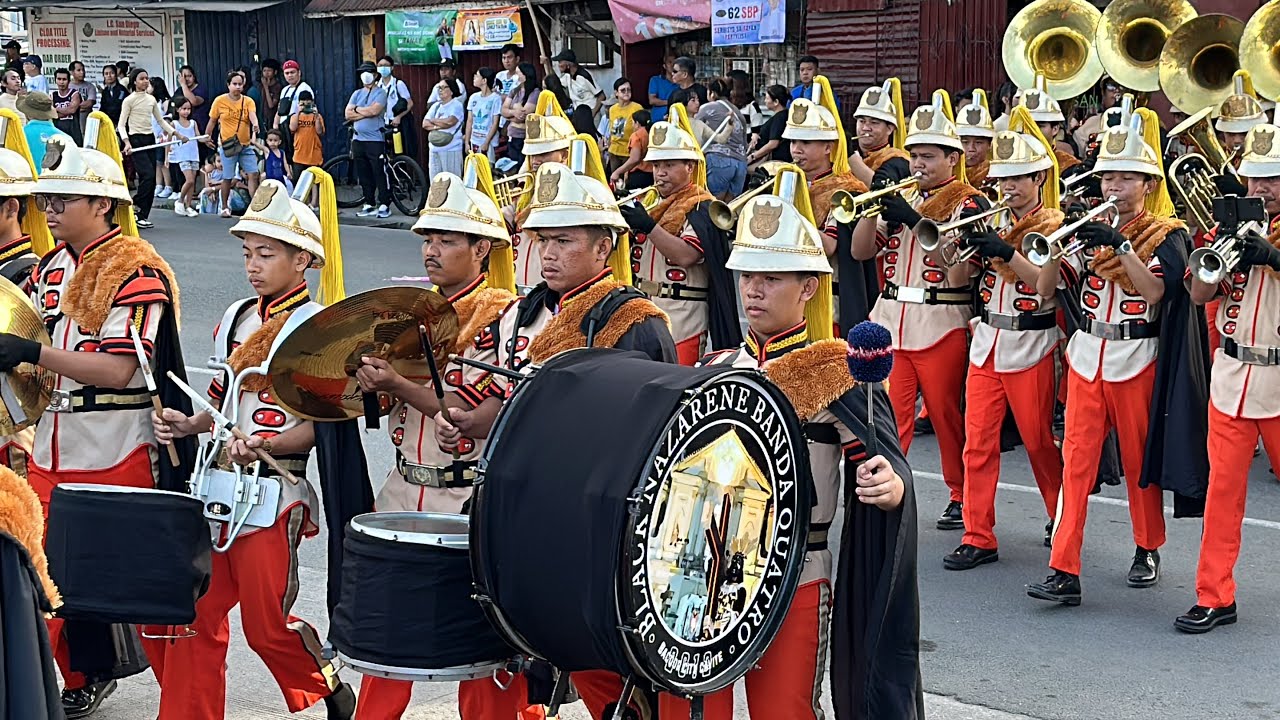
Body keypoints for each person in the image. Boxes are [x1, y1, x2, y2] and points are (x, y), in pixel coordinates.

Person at [660, 167, 920, 720]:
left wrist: (889, 485)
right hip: (701, 572)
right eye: (747, 275)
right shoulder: (713, 367)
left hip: (795, 572)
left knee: (785, 713)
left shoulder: (840, 375)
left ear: (808, 286)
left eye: (773, 277)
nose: (754, 289)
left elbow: (882, 468)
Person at [151, 173, 356, 720]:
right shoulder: (236, 317)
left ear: (304, 261)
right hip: (219, 484)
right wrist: (188, 424)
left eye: (266, 254)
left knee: (267, 628)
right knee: (196, 613)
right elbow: (220, 395)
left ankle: (328, 683)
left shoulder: (319, 328)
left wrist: (266, 441)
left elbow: (327, 423)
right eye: (248, 253)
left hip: (275, 488)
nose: (252, 265)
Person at [6, 133, 195, 720]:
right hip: (51, 448)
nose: (52, 210)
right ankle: (56, 687)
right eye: (49, 200)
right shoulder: (51, 268)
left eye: (66, 199)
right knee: (39, 579)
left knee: (140, 595)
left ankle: (184, 706)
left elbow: (118, 370)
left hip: (117, 449)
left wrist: (29, 355)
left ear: (105, 205)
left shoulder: (138, 271)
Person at [352, 157, 536, 719]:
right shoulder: (407, 314)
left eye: (447, 238)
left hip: (466, 499)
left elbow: (466, 414)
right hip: (403, 490)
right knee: (386, 647)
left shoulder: (503, 319)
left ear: (483, 249)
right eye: (427, 237)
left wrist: (396, 384)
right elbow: (376, 404)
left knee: (482, 660)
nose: (431, 249)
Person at [1027, 109, 1209, 606]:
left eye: (1127, 176)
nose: (1114, 184)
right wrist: (1057, 253)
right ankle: (1064, 567)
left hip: (1138, 356)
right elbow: (1046, 291)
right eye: (1108, 174)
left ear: (1147, 184)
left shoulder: (1166, 234)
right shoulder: (1085, 226)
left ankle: (1147, 546)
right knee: (1075, 465)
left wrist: (1120, 247)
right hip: (1089, 355)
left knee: (1136, 460)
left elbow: (1156, 293)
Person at [851, 94, 986, 530]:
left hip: (940, 320)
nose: (918, 165)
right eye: (914, 156)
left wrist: (911, 217)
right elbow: (859, 252)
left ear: (953, 158)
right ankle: (887, 487)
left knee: (946, 414)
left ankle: (961, 493)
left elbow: (958, 269)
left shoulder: (969, 203)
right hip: (890, 318)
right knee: (889, 415)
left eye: (928, 156)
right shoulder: (902, 193)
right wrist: (872, 210)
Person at [942, 111, 1065, 571]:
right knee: (977, 442)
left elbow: (1045, 287)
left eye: (1016, 179)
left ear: (1038, 177)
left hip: (1032, 342)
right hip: (988, 339)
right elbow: (955, 277)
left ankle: (1061, 515)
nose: (1007, 187)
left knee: (1037, 442)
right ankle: (978, 534)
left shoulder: (1053, 223)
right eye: (1001, 179)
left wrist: (1005, 249)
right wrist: (962, 243)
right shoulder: (992, 220)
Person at [1178, 122, 1280, 634]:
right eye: (1255, 178)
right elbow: (1198, 298)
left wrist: (1274, 256)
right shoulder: (1232, 227)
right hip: (1233, 375)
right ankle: (1214, 594)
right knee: (1222, 494)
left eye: (1273, 179)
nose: (1261, 188)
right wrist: (1216, 254)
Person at [619, 106, 740, 365]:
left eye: (669, 165)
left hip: (682, 316)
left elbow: (687, 255)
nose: (660, 172)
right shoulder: (650, 201)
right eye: (656, 165)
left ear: (689, 166)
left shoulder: (700, 206)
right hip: (642, 310)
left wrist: (648, 226)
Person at [784, 75, 867, 330]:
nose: (796, 150)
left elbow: (829, 245)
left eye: (806, 143)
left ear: (829, 147)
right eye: (793, 142)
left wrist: (789, 212)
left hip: (829, 301)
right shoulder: (787, 180)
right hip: (788, 296)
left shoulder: (846, 189)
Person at [504, 95, 575, 291]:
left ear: (565, 156)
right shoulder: (526, 189)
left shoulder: (576, 194)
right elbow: (510, 218)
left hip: (553, 289)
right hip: (518, 285)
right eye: (532, 154)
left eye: (543, 154)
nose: (535, 161)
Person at [119, 68, 174, 229]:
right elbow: (122, 125)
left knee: (149, 180)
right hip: (135, 140)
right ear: (134, 81)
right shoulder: (129, 100)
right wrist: (126, 142)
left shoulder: (151, 100)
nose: (145, 81)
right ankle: (135, 204)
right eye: (142, 78)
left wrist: (176, 133)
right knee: (148, 175)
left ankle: (142, 214)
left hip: (149, 138)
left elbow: (161, 121)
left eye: (147, 78)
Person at [207, 70, 261, 219]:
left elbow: (252, 115)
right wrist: (207, 136)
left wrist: (255, 125)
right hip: (228, 146)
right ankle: (225, 207)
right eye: (234, 84)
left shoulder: (248, 101)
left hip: (245, 145)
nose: (237, 87)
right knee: (228, 177)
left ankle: (255, 207)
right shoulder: (219, 101)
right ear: (228, 85)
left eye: (240, 84)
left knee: (253, 173)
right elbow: (212, 120)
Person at [848, 78, 911, 188]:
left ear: (890, 129)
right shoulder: (854, 154)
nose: (866, 128)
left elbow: (881, 190)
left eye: (874, 123)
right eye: (862, 121)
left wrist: (851, 157)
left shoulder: (898, 160)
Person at [697, 79, 748, 199]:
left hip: (719, 159)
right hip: (740, 164)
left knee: (714, 206)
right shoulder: (738, 113)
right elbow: (744, 143)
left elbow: (693, 128)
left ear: (712, 93)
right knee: (729, 209)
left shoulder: (707, 108)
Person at [1016, 82, 1078, 171]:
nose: (1031, 131)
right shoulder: (1007, 162)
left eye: (1039, 126)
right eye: (1027, 126)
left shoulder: (1068, 164)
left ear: (1055, 129)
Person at [18, 92, 70, 174]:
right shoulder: (66, 138)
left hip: (24, 184)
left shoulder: (18, 135)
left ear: (27, 113)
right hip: (54, 184)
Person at [423, 79, 465, 179]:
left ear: (451, 90)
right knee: (435, 181)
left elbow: (450, 122)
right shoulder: (436, 106)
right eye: (439, 88)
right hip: (434, 148)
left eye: (443, 87)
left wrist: (433, 121)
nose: (440, 90)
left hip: (451, 148)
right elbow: (425, 124)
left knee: (452, 182)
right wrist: (438, 125)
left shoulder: (456, 105)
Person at [377, 56, 416, 161]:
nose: (383, 68)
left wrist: (398, 117)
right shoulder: (377, 86)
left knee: (400, 153)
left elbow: (410, 103)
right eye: (380, 66)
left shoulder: (398, 84)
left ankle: (401, 175)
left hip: (397, 123)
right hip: (383, 124)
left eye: (386, 65)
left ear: (392, 67)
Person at [956, 89, 995, 191]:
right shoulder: (948, 173)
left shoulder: (995, 176)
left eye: (978, 142)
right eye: (965, 142)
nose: (971, 149)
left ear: (989, 144)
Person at [1073, 76, 1126, 151]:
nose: (1117, 91)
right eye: (1112, 85)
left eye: (1122, 86)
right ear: (1103, 93)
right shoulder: (1090, 124)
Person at [169, 96, 201, 217]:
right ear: (177, 110)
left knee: (192, 183)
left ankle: (188, 205)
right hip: (182, 156)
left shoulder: (193, 123)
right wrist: (168, 157)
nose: (186, 111)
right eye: (184, 109)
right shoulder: (174, 124)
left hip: (194, 155)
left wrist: (206, 139)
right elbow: (169, 140)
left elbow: (198, 136)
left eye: (188, 109)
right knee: (190, 180)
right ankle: (180, 200)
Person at [501, 62, 539, 165]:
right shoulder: (514, 91)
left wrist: (509, 116)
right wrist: (513, 111)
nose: (515, 76)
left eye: (518, 73)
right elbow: (503, 110)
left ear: (525, 75)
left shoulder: (534, 92)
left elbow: (522, 117)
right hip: (511, 135)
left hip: (523, 137)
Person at [550, 49, 604, 119]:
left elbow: (601, 96)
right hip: (578, 113)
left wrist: (592, 115)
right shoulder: (567, 76)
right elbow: (555, 82)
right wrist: (547, 64)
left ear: (568, 65)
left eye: (560, 62)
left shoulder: (584, 76)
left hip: (590, 112)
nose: (559, 65)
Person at [275, 60, 313, 157]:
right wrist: (275, 126)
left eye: (292, 72)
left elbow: (308, 111)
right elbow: (279, 109)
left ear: (299, 73)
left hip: (298, 129)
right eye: (287, 73)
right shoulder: (285, 90)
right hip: (283, 128)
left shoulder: (305, 88)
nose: (290, 75)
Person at [748, 85, 792, 166]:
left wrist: (753, 156)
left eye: (767, 98)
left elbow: (773, 143)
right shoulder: (782, 115)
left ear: (776, 102)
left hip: (774, 161)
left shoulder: (780, 118)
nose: (765, 101)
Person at [466, 68, 502, 163]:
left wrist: (486, 142)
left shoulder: (495, 98)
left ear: (484, 80)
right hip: (475, 140)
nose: (474, 77)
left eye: (477, 75)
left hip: (489, 142)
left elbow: (495, 123)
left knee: (488, 169)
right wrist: (467, 142)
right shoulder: (473, 97)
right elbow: (470, 121)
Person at [605, 78, 642, 173]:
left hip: (629, 152)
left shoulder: (637, 108)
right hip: (614, 151)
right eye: (623, 90)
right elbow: (611, 129)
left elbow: (641, 132)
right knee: (614, 180)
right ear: (616, 93)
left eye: (628, 90)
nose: (626, 92)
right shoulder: (612, 109)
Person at [609, 109, 651, 189]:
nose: (632, 126)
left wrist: (617, 172)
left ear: (637, 123)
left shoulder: (636, 136)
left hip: (639, 175)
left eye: (633, 123)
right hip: (651, 174)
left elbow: (634, 159)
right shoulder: (652, 133)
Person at [289, 90, 325, 183]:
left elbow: (320, 132)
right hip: (299, 155)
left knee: (314, 183)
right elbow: (293, 128)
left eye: (308, 104)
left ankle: (314, 198)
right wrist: (298, 112)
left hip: (314, 155)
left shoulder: (317, 116)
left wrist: (316, 116)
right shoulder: (295, 116)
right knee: (299, 183)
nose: (306, 106)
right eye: (303, 104)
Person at [148, 76, 174, 200]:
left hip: (162, 136)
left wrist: (164, 132)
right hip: (153, 135)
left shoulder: (165, 101)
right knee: (157, 162)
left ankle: (168, 186)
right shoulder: (150, 101)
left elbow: (168, 117)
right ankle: (159, 185)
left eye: (149, 86)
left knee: (164, 162)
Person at [50, 68, 83, 145]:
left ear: (69, 81)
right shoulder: (53, 95)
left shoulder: (75, 94)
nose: (61, 82)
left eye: (64, 79)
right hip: (58, 132)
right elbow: (51, 114)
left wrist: (57, 109)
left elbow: (72, 110)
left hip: (74, 132)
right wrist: (63, 111)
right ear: (55, 80)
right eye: (59, 79)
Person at [252, 58, 282, 130]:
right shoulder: (260, 85)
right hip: (262, 118)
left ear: (275, 72)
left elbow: (271, 105)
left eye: (269, 70)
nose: (266, 73)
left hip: (272, 119)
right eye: (264, 70)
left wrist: (266, 87)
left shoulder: (277, 87)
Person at [648, 53, 678, 123]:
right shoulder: (656, 80)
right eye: (669, 62)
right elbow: (652, 100)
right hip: (658, 120)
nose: (672, 65)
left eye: (675, 62)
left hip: (675, 120)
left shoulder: (681, 82)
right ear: (664, 66)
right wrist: (670, 102)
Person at [69, 61, 97, 134]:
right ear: (72, 72)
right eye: (79, 70)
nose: (82, 72)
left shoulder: (90, 86)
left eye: (83, 70)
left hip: (86, 120)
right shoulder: (67, 87)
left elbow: (90, 103)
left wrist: (73, 107)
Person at [98, 64, 128, 128]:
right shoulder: (105, 91)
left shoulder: (121, 90)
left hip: (121, 124)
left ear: (116, 75)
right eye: (106, 74)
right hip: (107, 124)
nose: (109, 76)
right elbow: (103, 107)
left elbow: (118, 105)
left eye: (112, 73)